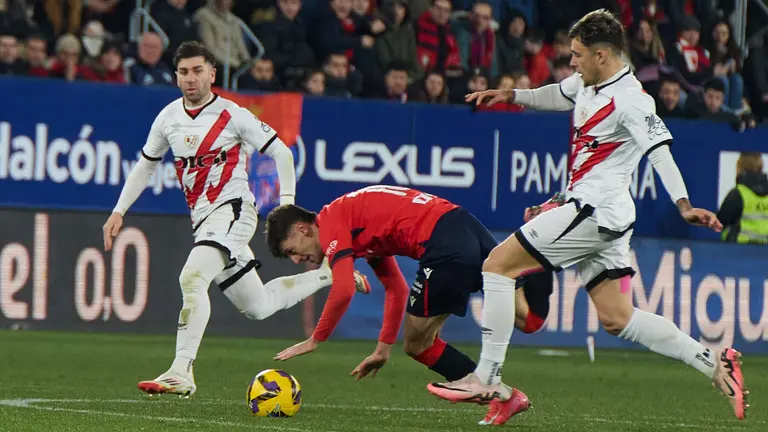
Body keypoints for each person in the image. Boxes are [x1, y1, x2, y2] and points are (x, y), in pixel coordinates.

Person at [428, 9, 747, 423]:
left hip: (596, 210)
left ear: (602, 55)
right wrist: (511, 97)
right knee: (618, 319)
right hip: (601, 213)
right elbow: (558, 93)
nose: (571, 61)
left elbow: (660, 151)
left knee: (497, 267)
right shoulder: (586, 83)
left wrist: (683, 205)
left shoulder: (632, 99)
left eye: (577, 55)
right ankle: (713, 360)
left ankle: (487, 375)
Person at [101, 41, 369, 397]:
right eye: (183, 72)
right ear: (176, 76)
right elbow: (146, 165)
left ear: (212, 74)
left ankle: (181, 370)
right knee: (258, 307)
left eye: (198, 71)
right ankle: (327, 273)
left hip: (234, 211)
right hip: (205, 220)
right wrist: (119, 210)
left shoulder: (233, 115)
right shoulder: (168, 118)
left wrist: (286, 205)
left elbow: (281, 153)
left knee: (192, 276)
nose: (190, 79)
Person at [264, 185, 555, 422]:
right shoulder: (355, 224)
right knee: (529, 320)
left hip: (443, 243)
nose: (296, 259)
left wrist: (316, 339)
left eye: (292, 250)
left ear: (303, 229)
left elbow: (343, 289)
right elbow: (396, 289)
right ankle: (541, 232)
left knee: (418, 344)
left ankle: (497, 392)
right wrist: (382, 349)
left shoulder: (331, 225)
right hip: (460, 222)